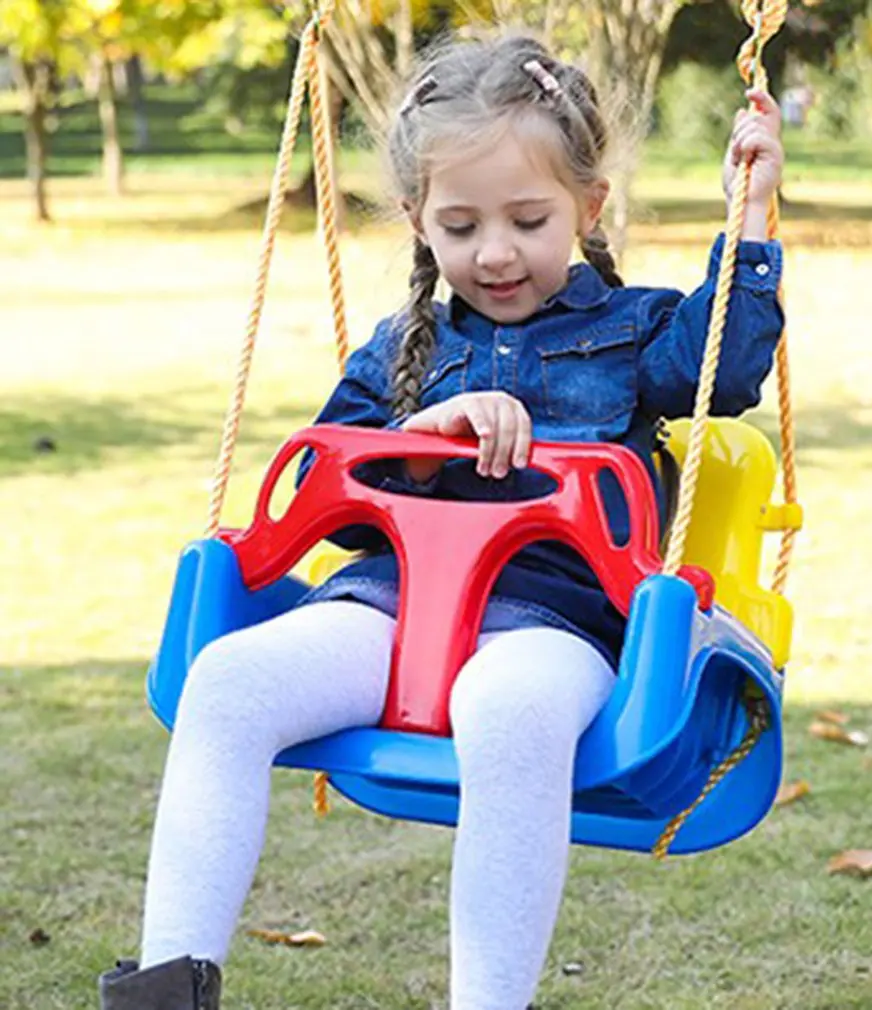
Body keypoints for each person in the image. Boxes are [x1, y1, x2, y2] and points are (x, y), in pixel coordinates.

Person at [99, 32, 784, 1010]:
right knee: (227, 682)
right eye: (459, 225)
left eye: (527, 218)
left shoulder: (638, 333)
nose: (494, 251)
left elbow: (725, 372)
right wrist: (421, 439)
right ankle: (165, 988)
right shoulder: (399, 351)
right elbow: (328, 500)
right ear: (418, 221)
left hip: (553, 623)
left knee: (504, 711)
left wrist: (749, 216)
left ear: (587, 207)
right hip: (389, 609)